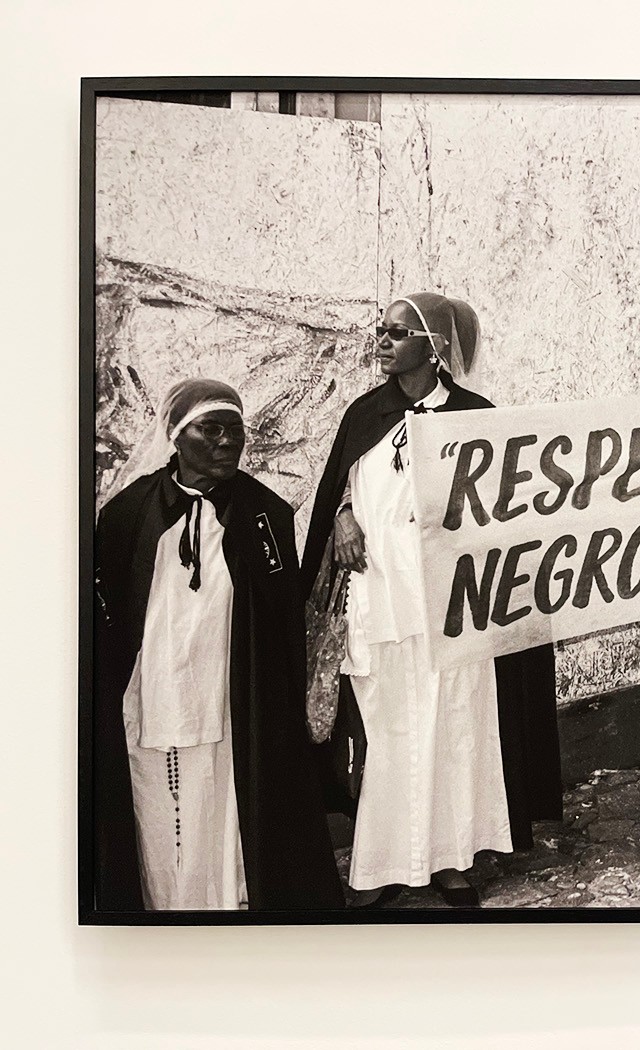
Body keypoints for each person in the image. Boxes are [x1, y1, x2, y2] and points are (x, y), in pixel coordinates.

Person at [302, 292, 563, 908]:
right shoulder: (363, 416)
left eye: (398, 331)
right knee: (388, 735)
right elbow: (342, 489)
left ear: (435, 347)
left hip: (454, 611)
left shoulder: (476, 418)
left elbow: (508, 513)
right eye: (382, 330)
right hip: (382, 601)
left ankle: (450, 862)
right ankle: (380, 867)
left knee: (454, 729)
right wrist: (341, 513)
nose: (383, 340)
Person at [93, 379, 343, 911]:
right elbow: (110, 620)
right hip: (154, 693)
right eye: (212, 429)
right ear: (178, 436)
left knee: (225, 802)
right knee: (160, 804)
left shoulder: (264, 516)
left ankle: (227, 907)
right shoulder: (127, 516)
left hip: (233, 701)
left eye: (236, 430)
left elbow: (280, 625)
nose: (229, 441)